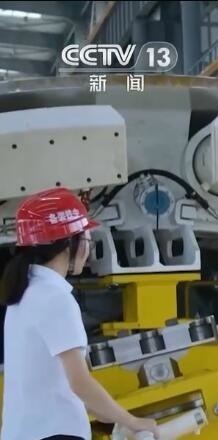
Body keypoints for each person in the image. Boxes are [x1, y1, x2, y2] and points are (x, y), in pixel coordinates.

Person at [1, 187, 158, 440]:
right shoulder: (55, 298)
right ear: (69, 243)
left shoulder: (24, 296)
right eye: (86, 236)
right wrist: (133, 421)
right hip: (56, 434)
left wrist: (106, 412)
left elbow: (51, 380)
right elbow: (79, 382)